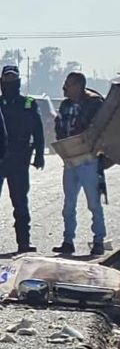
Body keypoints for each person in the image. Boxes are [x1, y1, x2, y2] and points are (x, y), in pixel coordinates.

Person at [53, 72, 106, 256]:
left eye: (68, 84)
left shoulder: (94, 103)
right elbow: (59, 125)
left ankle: (98, 241)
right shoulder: (65, 105)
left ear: (78, 86)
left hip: (88, 159)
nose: (65, 87)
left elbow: (98, 128)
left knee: (93, 203)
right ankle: (68, 241)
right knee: (69, 204)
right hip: (69, 160)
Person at [0, 65, 44, 253]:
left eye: (13, 81)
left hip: (19, 159)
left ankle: (23, 243)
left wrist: (40, 154)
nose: (10, 84)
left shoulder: (28, 103)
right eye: (6, 81)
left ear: (18, 82)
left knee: (20, 202)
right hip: (0, 158)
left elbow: (38, 130)